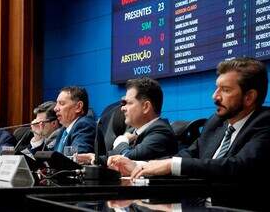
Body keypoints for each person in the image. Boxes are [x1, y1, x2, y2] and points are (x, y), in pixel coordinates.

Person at [108, 57, 270, 181]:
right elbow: (189, 155)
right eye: (217, 88)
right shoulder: (216, 123)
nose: (215, 96)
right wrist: (140, 165)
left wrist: (171, 165)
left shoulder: (265, 122)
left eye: (225, 90)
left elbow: (237, 166)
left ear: (249, 97)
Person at [77, 77, 177, 164]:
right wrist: (94, 159)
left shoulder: (161, 131)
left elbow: (128, 157)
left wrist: (122, 140)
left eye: (128, 103)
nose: (122, 108)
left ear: (146, 107)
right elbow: (113, 156)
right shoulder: (133, 132)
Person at [53, 86, 96, 154]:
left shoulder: (84, 125)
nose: (55, 108)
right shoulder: (63, 130)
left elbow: (77, 156)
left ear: (78, 107)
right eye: (56, 104)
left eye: (62, 103)